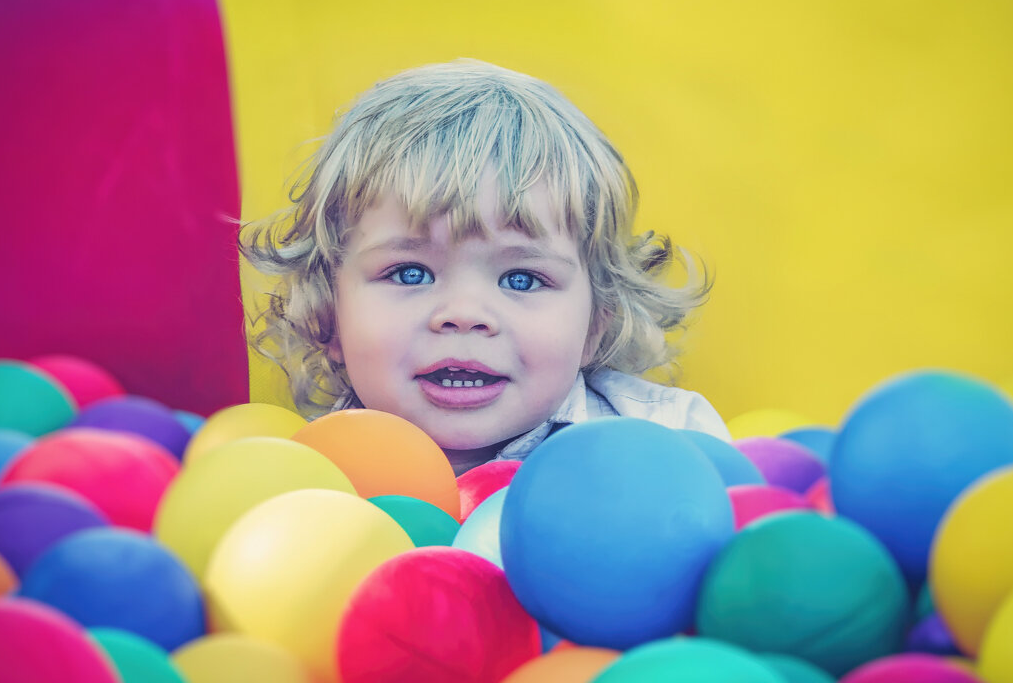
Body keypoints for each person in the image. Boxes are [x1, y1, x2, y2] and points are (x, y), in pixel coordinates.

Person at [241, 59, 730, 474]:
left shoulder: (674, 448)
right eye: (410, 272)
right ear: (328, 313)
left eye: (522, 279)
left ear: (595, 325)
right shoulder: (307, 482)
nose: (464, 313)